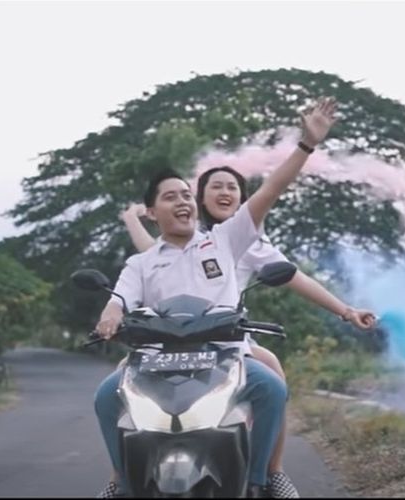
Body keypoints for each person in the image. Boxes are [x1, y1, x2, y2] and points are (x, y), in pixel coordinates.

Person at [94, 97, 345, 498]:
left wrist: (307, 144)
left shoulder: (225, 240)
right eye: (170, 196)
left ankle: (262, 479)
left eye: (185, 195)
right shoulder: (142, 262)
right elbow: (119, 297)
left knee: (271, 388)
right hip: (155, 359)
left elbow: (272, 189)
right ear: (152, 212)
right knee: (106, 396)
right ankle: (122, 482)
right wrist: (110, 314)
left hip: (225, 354)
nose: (182, 201)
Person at [118, 165, 376, 497]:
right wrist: (132, 219)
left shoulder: (241, 237)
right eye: (216, 186)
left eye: (233, 187)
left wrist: (346, 311)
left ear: (243, 198)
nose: (225, 192)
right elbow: (150, 254)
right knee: (119, 389)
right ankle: (121, 479)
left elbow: (295, 277)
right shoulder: (187, 234)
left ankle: (271, 472)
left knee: (272, 376)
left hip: (227, 336)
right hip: (172, 340)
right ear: (201, 196)